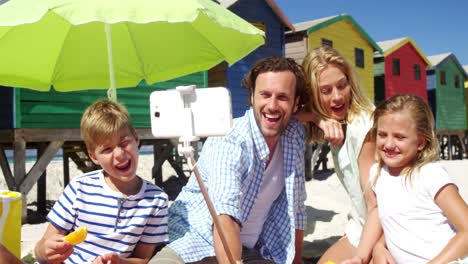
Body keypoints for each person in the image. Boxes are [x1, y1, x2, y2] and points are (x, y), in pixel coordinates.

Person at [151, 56, 310, 264]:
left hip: (250, 249)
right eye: (265, 95)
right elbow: (225, 216)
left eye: (282, 97)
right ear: (252, 96)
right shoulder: (229, 140)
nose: (272, 105)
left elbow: (296, 211)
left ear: (296, 103)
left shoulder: (294, 136)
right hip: (192, 239)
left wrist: (321, 119)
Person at [34, 99, 169, 264]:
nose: (119, 154)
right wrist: (46, 250)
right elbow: (41, 249)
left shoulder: (156, 200)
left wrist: (120, 262)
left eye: (124, 143)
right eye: (107, 149)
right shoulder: (79, 188)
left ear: (136, 139)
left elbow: (143, 258)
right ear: (93, 156)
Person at [343, 94, 468, 263]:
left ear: (421, 142)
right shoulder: (379, 175)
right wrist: (364, 254)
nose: (388, 144)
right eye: (382, 134)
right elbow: (382, 214)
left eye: (399, 137)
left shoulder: (430, 175)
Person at [298, 46, 378, 263]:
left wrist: (374, 250)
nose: (337, 97)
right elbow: (284, 114)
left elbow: (376, 203)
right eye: (326, 91)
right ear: (312, 94)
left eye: (342, 86)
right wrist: (316, 118)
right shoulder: (340, 122)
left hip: (379, 230)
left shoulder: (362, 127)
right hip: (359, 225)